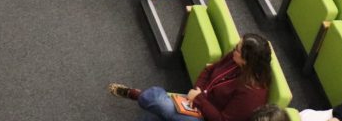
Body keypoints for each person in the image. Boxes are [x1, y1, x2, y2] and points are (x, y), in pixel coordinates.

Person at [107, 32, 272, 120]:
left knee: (158, 103)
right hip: (197, 102)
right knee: (154, 114)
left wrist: (198, 99)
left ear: (247, 60)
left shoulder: (252, 93)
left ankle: (137, 94)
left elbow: (222, 120)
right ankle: (145, 97)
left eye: (238, 49)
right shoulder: (234, 59)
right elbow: (208, 70)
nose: (234, 48)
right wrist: (196, 92)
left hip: (207, 117)